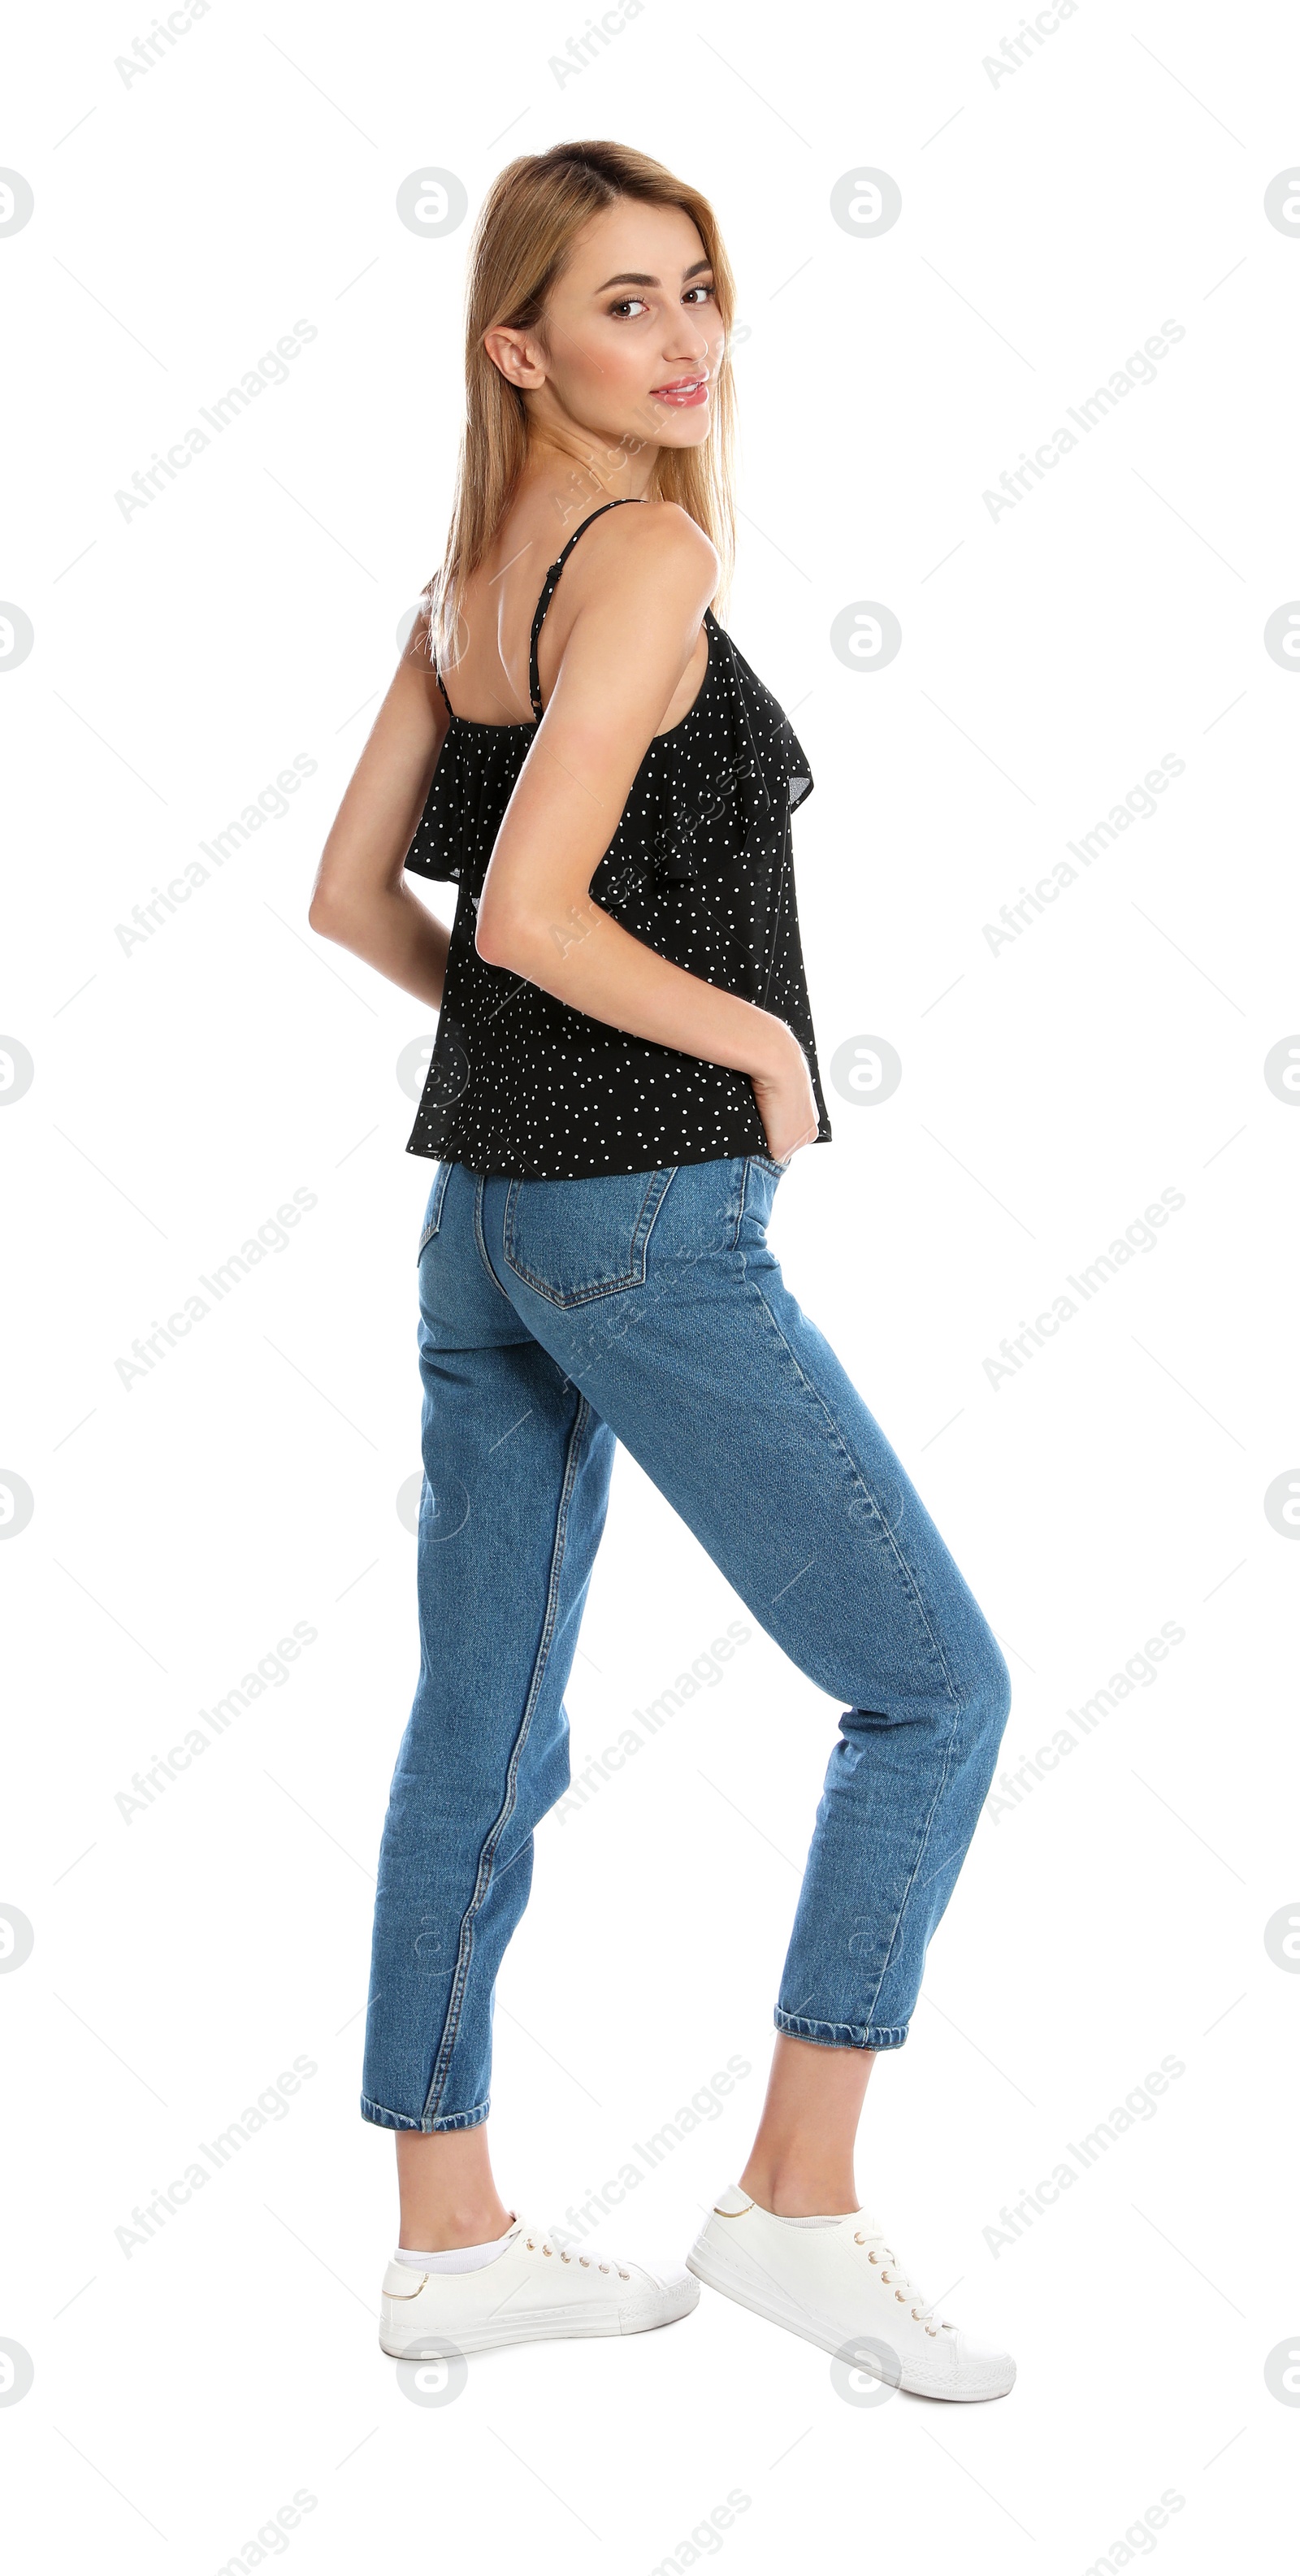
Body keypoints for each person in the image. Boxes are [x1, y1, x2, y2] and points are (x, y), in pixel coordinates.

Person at [310, 139, 1016, 2403]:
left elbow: (358, 900)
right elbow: (515, 917)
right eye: (623, 303)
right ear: (519, 344)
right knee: (933, 1691)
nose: (685, 336)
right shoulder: (649, 558)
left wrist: (534, 1075)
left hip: (490, 1222)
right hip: (640, 1229)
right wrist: (757, 1047)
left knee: (482, 1720)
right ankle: (799, 2203)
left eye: (697, 286)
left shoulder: (469, 583)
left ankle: (449, 2237)